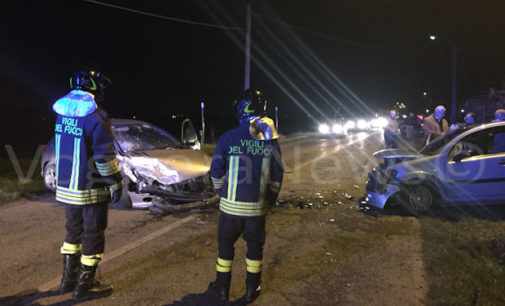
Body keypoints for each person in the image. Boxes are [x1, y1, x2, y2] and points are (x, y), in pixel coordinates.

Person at [207, 89, 284, 303]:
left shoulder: (228, 137)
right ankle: (252, 289)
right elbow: (277, 176)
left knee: (225, 248)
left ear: (242, 108)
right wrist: (269, 200)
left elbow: (215, 171)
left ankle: (222, 288)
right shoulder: (271, 140)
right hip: (257, 210)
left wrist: (220, 192)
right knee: (254, 249)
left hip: (230, 209)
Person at [53, 70, 123, 302]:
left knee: (73, 231)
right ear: (93, 87)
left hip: (67, 188)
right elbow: (104, 157)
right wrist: (115, 182)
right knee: (93, 234)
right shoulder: (96, 116)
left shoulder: (63, 114)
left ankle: (67, 281)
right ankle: (85, 286)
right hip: (91, 188)